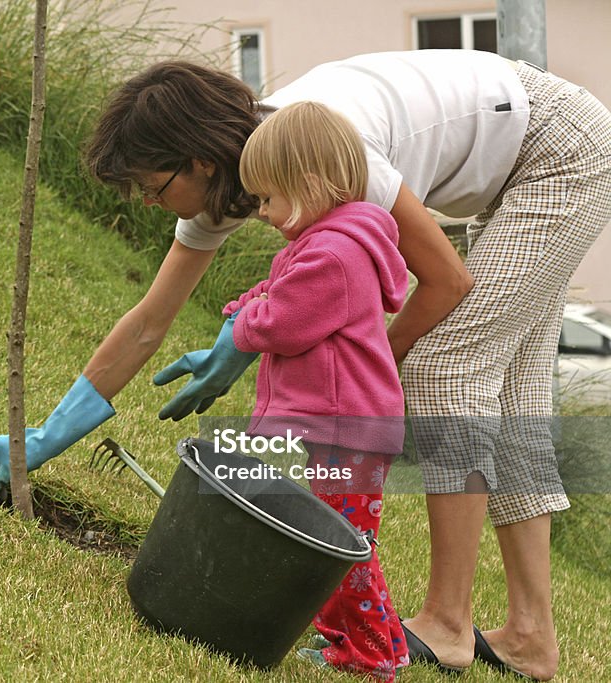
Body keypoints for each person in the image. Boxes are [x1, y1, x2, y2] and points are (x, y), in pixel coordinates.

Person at [0, 52, 611, 680]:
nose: (145, 203)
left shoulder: (330, 153)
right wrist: (43, 438)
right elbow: (148, 321)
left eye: (152, 187)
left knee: (445, 371)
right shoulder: (253, 178)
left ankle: (446, 622)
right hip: (517, 159)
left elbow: (443, 281)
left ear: (199, 161)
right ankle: (530, 636)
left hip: (557, 146)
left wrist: (372, 374)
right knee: (515, 398)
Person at [227, 100, 409, 680]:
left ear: (308, 186)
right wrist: (251, 301)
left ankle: (374, 655)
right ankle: (358, 640)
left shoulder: (334, 254)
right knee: (334, 534)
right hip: (345, 425)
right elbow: (278, 288)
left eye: (267, 198)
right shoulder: (325, 244)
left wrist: (245, 321)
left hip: (347, 428)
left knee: (343, 543)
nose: (261, 212)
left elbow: (283, 321)